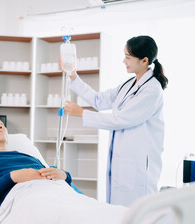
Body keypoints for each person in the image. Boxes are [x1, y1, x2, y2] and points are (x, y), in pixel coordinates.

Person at [62, 35, 168, 207]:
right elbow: (99, 100)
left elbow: (121, 119)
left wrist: (82, 113)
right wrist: (73, 75)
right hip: (123, 159)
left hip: (138, 162)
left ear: (144, 60)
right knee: (119, 214)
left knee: (136, 216)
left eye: (128, 57)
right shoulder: (128, 84)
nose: (123, 61)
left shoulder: (152, 90)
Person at [0, 114, 72, 214]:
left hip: (59, 193)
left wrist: (64, 175)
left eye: (1, 124)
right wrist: (12, 178)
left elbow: (52, 172)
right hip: (26, 199)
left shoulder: (29, 157)